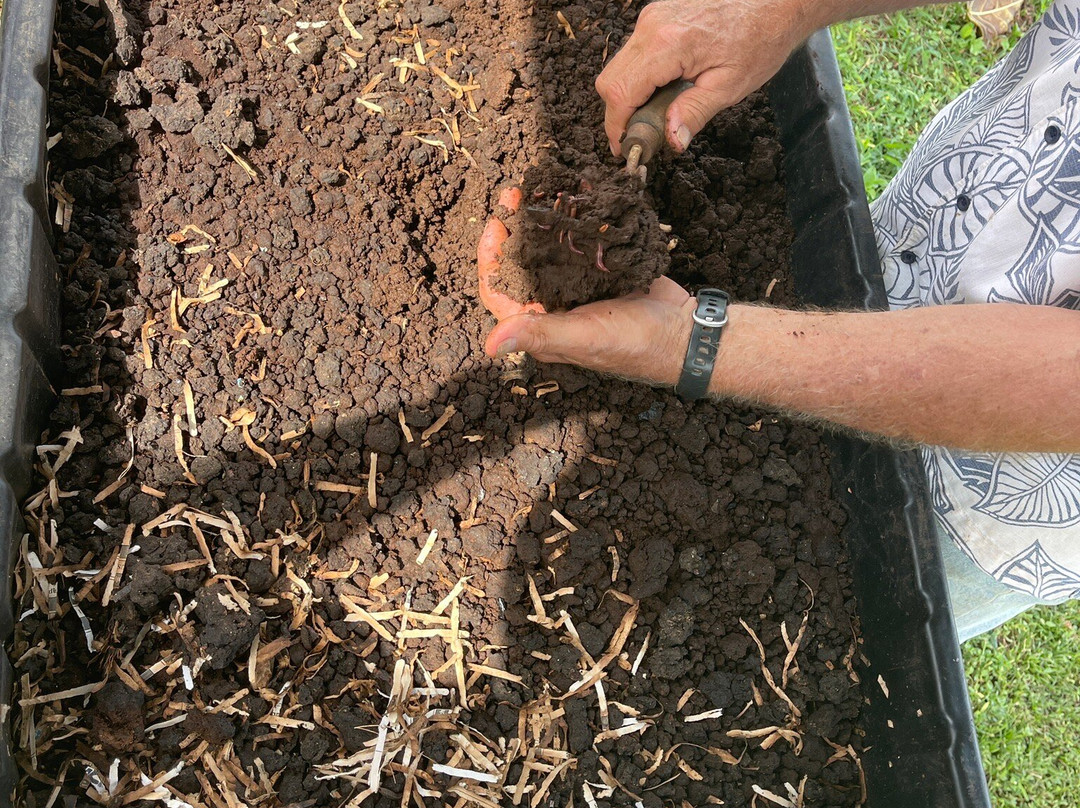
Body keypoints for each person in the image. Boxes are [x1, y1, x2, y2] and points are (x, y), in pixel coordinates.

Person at [477, 0, 1080, 642]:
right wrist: (781, 10)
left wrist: (695, 341)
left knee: (832, 632)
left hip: (992, 496)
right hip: (944, 219)